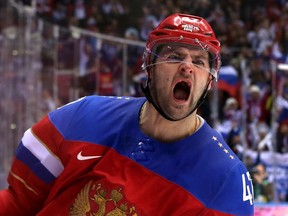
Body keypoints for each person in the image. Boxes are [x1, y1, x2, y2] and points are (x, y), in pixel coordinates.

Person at [0, 13, 254, 215]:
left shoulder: (226, 180)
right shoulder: (82, 116)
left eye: (199, 62)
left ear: (210, 81)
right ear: (150, 68)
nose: (187, 67)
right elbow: (17, 203)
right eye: (174, 56)